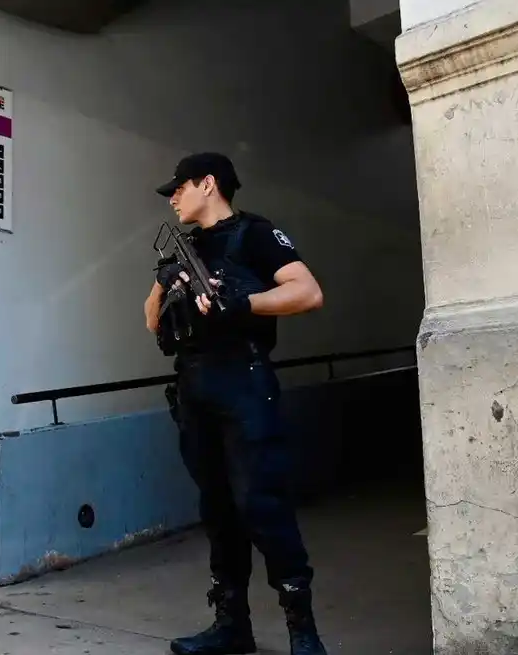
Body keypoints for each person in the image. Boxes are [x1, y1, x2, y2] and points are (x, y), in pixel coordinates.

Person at [143, 152, 328, 655]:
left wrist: (243, 303)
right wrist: (164, 284)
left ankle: (302, 631)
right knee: (218, 509)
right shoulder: (186, 248)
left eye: (179, 187)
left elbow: (307, 292)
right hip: (195, 386)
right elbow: (150, 322)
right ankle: (232, 625)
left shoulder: (255, 234)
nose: (173, 197)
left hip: (243, 380)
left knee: (260, 504)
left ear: (208, 184)